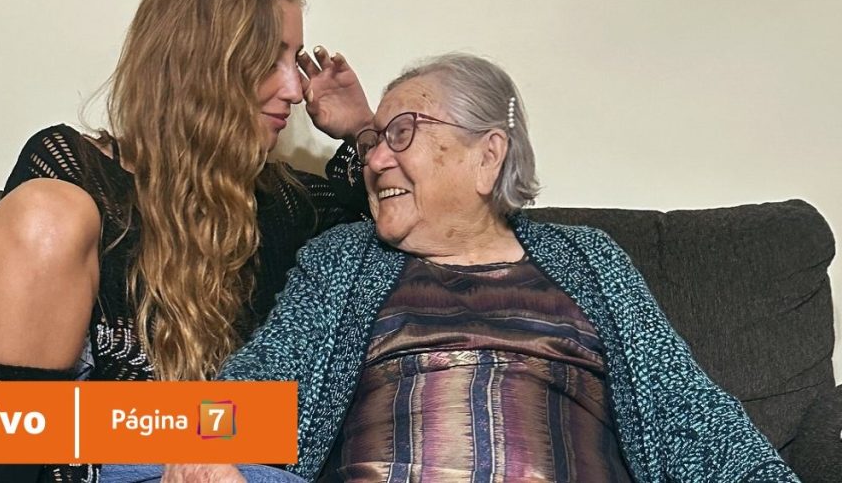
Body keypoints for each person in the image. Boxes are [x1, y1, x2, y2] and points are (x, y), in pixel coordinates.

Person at [0, 0, 373, 482]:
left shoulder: (281, 206)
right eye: (270, 60)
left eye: (296, 60)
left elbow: (397, 225)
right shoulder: (71, 168)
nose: (295, 89)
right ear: (199, 63)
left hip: (126, 456)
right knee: (49, 216)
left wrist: (364, 131)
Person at [217, 53, 800, 481]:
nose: (373, 159)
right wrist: (180, 445)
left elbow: (692, 417)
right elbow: (253, 398)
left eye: (401, 133)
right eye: (374, 141)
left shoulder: (589, 261)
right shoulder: (344, 260)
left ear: (488, 157)